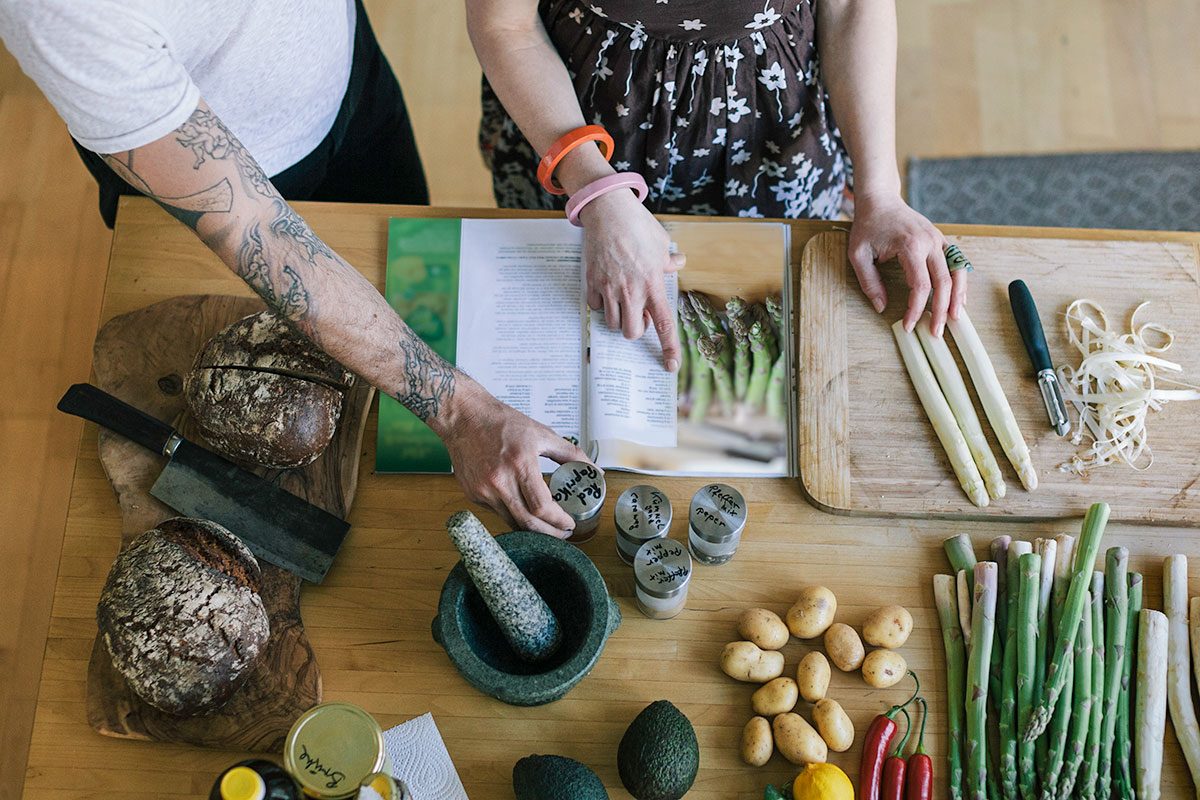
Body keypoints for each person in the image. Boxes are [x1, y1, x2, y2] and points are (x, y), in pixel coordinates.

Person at [0, 0, 590, 537]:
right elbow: (258, 232)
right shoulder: (60, 13)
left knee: (401, 298)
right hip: (240, 188)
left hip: (349, 75)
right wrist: (462, 413)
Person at [468, 0, 970, 355]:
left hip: (770, 120)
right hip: (584, 119)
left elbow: (852, 6)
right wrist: (595, 189)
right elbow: (506, 26)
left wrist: (879, 193)